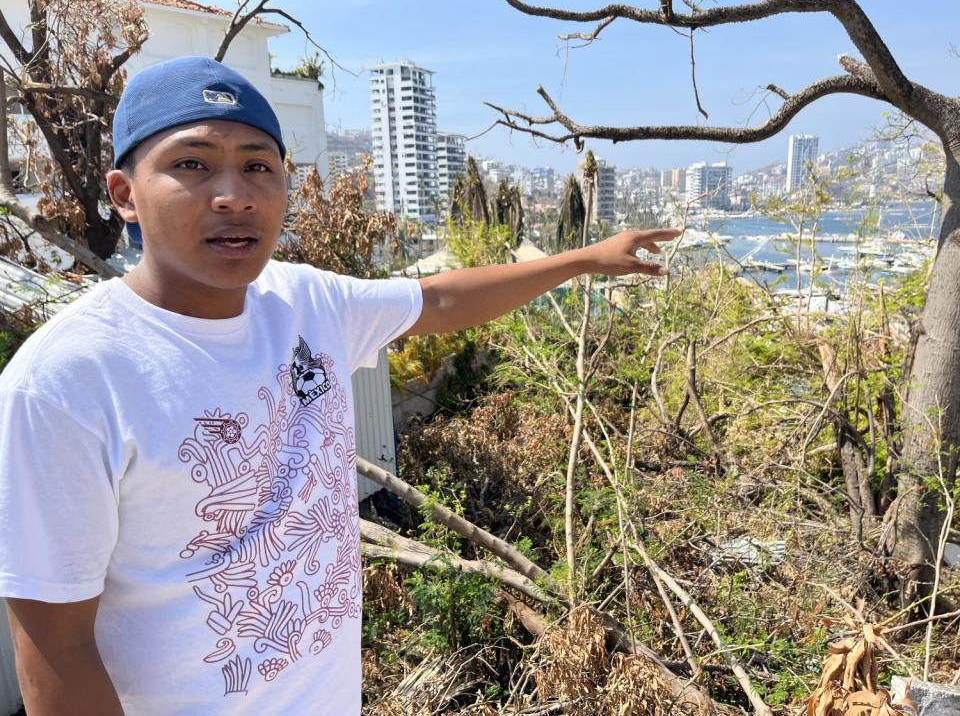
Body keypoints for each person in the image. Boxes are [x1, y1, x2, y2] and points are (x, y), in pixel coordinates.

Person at [0, 56, 676, 715]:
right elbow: (54, 650)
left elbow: (438, 301)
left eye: (258, 166)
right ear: (125, 195)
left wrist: (586, 258)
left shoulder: (305, 302)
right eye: (193, 164)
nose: (233, 193)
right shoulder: (67, 382)